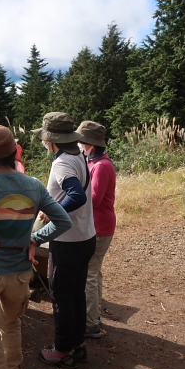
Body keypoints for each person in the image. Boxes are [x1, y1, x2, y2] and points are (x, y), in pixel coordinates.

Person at [0, 125, 72, 369]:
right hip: (20, 272)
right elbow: (63, 221)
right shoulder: (33, 185)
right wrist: (34, 238)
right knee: (11, 325)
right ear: (14, 152)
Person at [33, 112, 96, 368]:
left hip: (68, 241)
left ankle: (61, 350)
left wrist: (53, 211)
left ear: (52, 140)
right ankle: (77, 343)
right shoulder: (78, 153)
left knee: (61, 295)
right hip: (86, 236)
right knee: (76, 293)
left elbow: (77, 195)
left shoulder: (62, 164)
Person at [76, 121, 116, 339]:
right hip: (97, 224)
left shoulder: (101, 166)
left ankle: (91, 323)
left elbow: (94, 199)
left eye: (82, 141)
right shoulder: (94, 162)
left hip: (100, 225)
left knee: (90, 274)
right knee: (94, 272)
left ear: (90, 143)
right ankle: (95, 317)